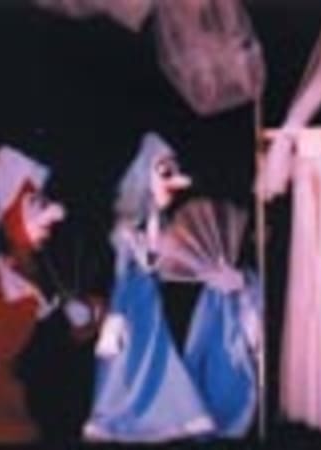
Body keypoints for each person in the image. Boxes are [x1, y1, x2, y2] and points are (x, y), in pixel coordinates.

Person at [0, 146, 98, 445]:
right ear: (12, 211)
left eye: (47, 202)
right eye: (37, 203)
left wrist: (86, 318)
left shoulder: (35, 267)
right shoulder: (0, 274)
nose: (57, 213)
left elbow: (56, 341)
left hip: (25, 410)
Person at [83, 131, 220, 442]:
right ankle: (113, 417)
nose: (174, 180)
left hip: (151, 302)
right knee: (126, 365)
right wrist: (115, 316)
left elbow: (168, 261)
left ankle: (173, 413)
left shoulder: (162, 223)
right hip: (130, 302)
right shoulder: (128, 227)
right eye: (164, 172)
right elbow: (122, 273)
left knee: (158, 358)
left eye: (174, 171)